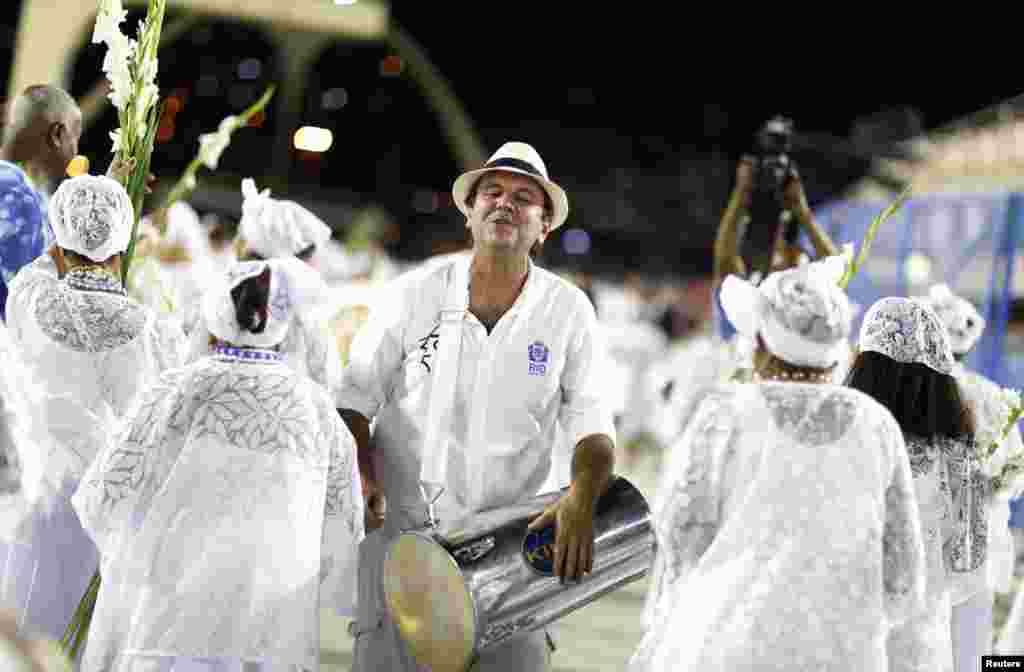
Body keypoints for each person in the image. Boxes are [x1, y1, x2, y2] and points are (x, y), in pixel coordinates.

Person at [338, 141, 616, 672]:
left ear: (544, 226)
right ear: (469, 213)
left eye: (523, 198)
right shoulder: (414, 291)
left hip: (512, 552)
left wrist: (583, 496)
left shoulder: (568, 311)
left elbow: (593, 426)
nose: (504, 203)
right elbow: (353, 402)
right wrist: (365, 478)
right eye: (492, 191)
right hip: (405, 538)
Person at [629, 255, 927, 672]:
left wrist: (672, 620)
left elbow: (679, 534)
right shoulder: (875, 422)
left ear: (762, 343)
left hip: (734, 637)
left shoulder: (725, 413)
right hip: (843, 647)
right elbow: (903, 569)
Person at [72, 258, 365, 671]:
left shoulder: (175, 389)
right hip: (268, 628)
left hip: (168, 622)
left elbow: (103, 498)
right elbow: (342, 531)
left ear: (218, 313)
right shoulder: (315, 408)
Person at [0, 174, 184, 642]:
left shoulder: (30, 295)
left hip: (34, 499)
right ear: (124, 244)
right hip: (106, 517)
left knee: (22, 632)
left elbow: (51, 258)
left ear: (60, 240)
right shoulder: (153, 332)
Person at [847, 296, 986, 672]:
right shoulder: (957, 451)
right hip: (921, 631)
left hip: (846, 624)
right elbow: (969, 561)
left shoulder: (844, 438)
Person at [920, 284, 1022, 666]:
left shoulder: (916, 391)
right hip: (981, 538)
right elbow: (1013, 476)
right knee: (972, 647)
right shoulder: (990, 393)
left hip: (929, 540)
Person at [189, 179, 342, 402]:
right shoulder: (304, 297)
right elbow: (327, 380)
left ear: (252, 243)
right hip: (287, 412)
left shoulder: (223, 293)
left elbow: (194, 362)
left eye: (241, 235)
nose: (235, 243)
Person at [0, 85, 82, 322]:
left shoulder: (27, 192)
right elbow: (24, 312)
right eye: (75, 136)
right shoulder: (18, 197)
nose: (76, 152)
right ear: (57, 134)